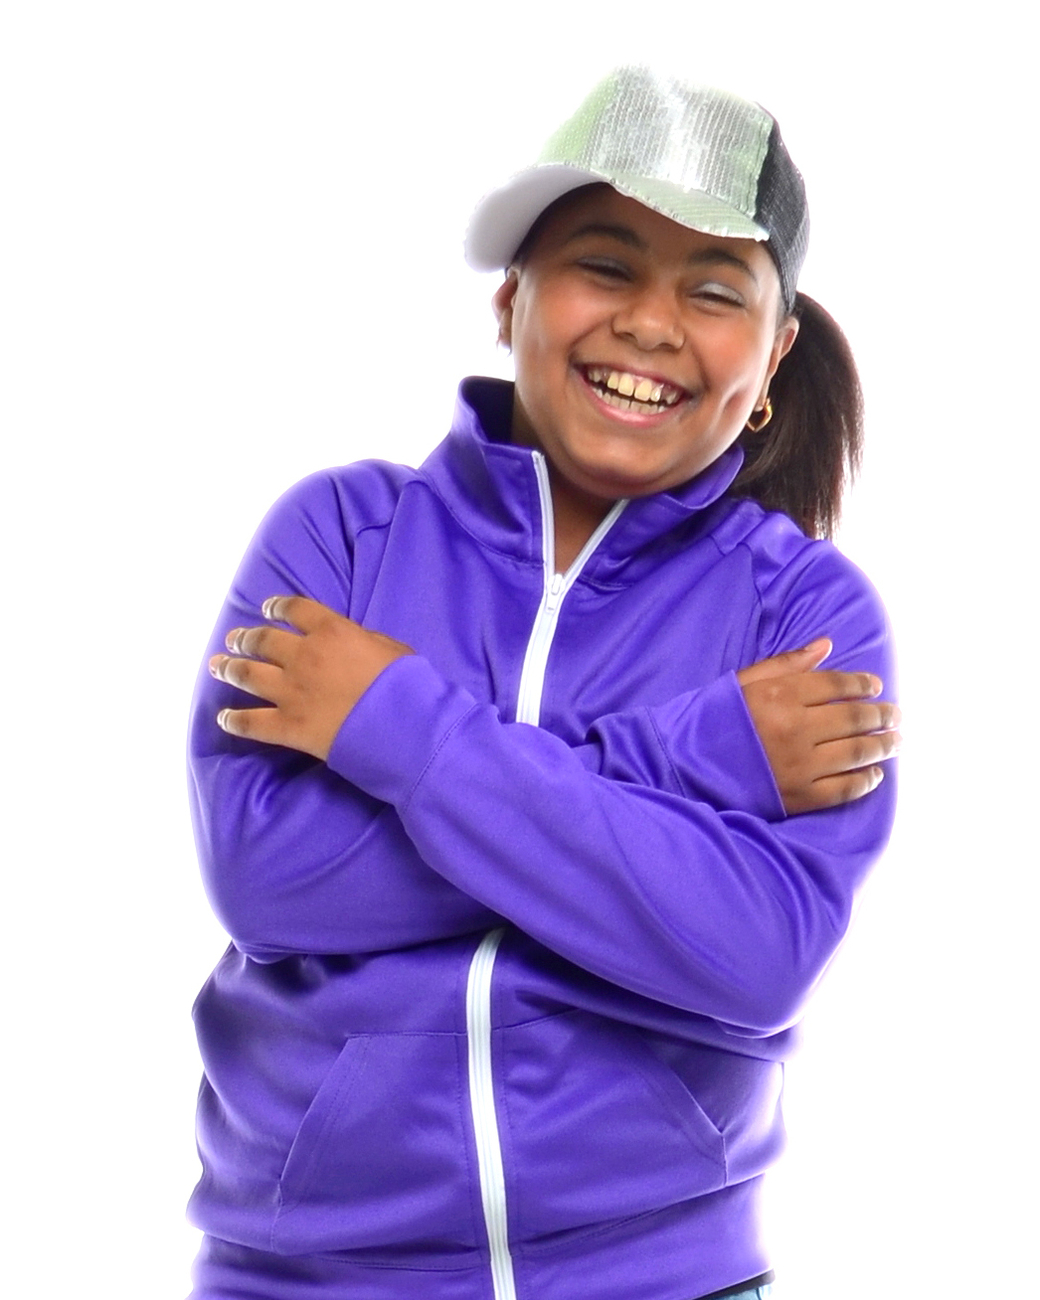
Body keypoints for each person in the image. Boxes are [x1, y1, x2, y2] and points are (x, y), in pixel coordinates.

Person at [186, 67, 899, 1300]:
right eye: (604, 266)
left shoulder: (803, 619)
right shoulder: (339, 539)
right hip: (308, 1280)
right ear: (511, 295)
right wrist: (696, 760)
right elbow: (272, 879)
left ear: (773, 350)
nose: (651, 325)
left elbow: (752, 957)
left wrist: (395, 732)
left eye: (712, 289)